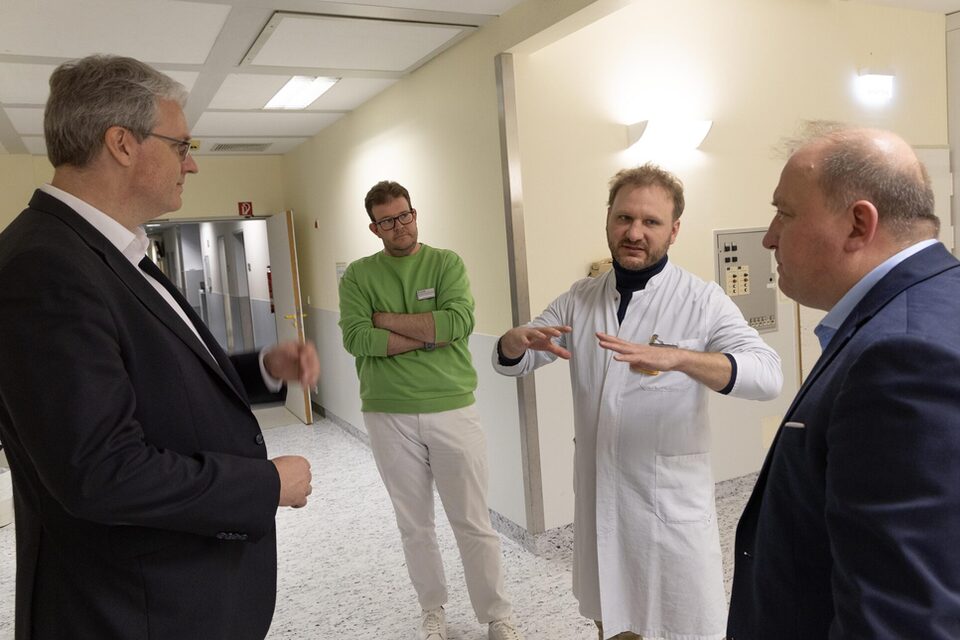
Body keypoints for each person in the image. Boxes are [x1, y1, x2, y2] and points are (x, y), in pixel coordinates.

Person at [0, 55, 320, 640]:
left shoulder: (109, 253)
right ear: (122, 143)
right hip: (130, 610)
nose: (192, 164)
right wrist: (264, 484)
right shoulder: (44, 265)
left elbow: (149, 382)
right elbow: (100, 471)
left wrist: (260, 370)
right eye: (181, 144)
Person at [493, 164, 783, 640]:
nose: (634, 232)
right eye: (624, 218)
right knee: (613, 620)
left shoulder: (702, 300)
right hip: (602, 497)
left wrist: (681, 358)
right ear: (608, 219)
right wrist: (512, 341)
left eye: (650, 222)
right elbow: (519, 360)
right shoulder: (579, 298)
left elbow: (767, 374)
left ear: (674, 230)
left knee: (680, 624)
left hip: (668, 506)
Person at [727, 128, 960, 639]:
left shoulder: (900, 356)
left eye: (784, 213)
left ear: (858, 224)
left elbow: (900, 619)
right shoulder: (933, 302)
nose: (768, 236)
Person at [338, 181, 523, 640]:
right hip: (387, 414)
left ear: (415, 213)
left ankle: (497, 616)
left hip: (452, 408)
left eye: (404, 215)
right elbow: (357, 339)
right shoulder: (359, 276)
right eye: (387, 220)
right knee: (414, 524)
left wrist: (387, 321)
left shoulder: (446, 263)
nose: (399, 226)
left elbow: (458, 323)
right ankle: (433, 610)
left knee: (473, 521)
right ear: (373, 227)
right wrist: (427, 333)